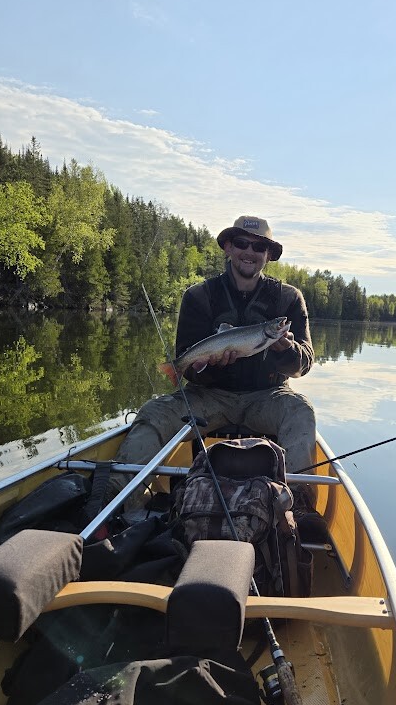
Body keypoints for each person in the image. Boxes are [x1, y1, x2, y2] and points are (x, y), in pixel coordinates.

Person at [109, 215, 317, 509]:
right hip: (208, 397)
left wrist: (287, 349)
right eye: (242, 243)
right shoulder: (198, 296)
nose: (249, 252)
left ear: (268, 255)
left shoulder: (289, 298)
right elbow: (189, 365)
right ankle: (120, 503)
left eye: (259, 247)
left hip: (268, 396)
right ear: (228, 247)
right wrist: (210, 367)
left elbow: (304, 363)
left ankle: (297, 509)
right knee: (153, 413)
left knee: (301, 411)